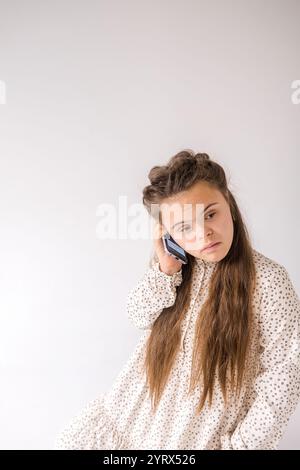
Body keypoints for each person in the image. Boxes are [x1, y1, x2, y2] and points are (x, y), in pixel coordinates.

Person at [54, 149, 300, 450]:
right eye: (184, 227)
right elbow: (138, 315)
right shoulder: (173, 268)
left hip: (199, 438)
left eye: (210, 214)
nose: (203, 234)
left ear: (230, 206)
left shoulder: (269, 281)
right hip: (136, 419)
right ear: (168, 234)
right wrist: (165, 270)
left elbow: (284, 377)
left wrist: (243, 446)